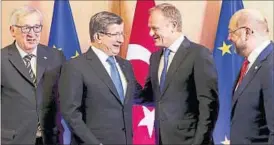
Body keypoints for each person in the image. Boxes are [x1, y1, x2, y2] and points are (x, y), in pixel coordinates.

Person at [140, 3, 219, 145]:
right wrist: (124, 81)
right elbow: (150, 96)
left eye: (155, 28)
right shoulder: (155, 57)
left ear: (173, 26)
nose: (151, 33)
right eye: (150, 28)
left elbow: (209, 105)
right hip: (162, 140)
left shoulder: (199, 54)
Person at [59, 11, 140, 145]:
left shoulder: (125, 65)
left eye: (122, 34)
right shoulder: (75, 66)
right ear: (98, 37)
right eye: (115, 34)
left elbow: (138, 95)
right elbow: (71, 114)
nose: (121, 40)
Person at [1, 5, 65, 144]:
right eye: (26, 28)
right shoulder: (2, 59)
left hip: (50, 138)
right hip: (14, 140)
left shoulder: (56, 56)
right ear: (13, 30)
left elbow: (65, 95)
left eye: (37, 27)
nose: (32, 33)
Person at [228, 9, 274, 144]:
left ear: (247, 32)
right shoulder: (249, 63)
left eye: (232, 32)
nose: (229, 38)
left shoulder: (271, 65)